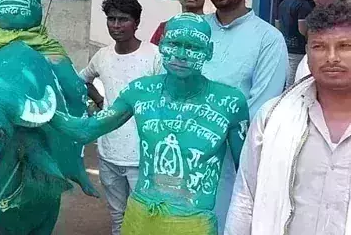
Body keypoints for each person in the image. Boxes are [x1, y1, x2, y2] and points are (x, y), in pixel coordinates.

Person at [51, 13, 249, 234]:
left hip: (193, 223)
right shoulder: (141, 91)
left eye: (193, 47)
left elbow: (247, 173)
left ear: (209, 51)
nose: (181, 55)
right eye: (174, 44)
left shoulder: (229, 103)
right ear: (162, 45)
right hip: (140, 216)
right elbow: (86, 130)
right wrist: (45, 112)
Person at [226, 1, 351, 234]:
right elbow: (245, 197)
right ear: (307, 53)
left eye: (345, 46)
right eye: (319, 46)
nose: (332, 57)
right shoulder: (273, 117)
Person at [201, 0, 288, 234]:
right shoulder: (196, 31)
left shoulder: (268, 39)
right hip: (187, 156)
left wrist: (210, 132)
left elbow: (262, 108)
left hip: (234, 159)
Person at [81, 0, 163, 235]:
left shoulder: (154, 56)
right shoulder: (102, 56)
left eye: (123, 19)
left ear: (136, 23)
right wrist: (101, 102)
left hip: (143, 157)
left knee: (145, 219)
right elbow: (82, 80)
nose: (116, 25)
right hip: (108, 153)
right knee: (118, 217)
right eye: (111, 19)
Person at [277, 0, 313, 84]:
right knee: (293, 82)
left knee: (284, 79)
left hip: (285, 46)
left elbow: (277, 24)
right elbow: (302, 28)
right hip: (298, 49)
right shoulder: (303, 5)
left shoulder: (282, 3)